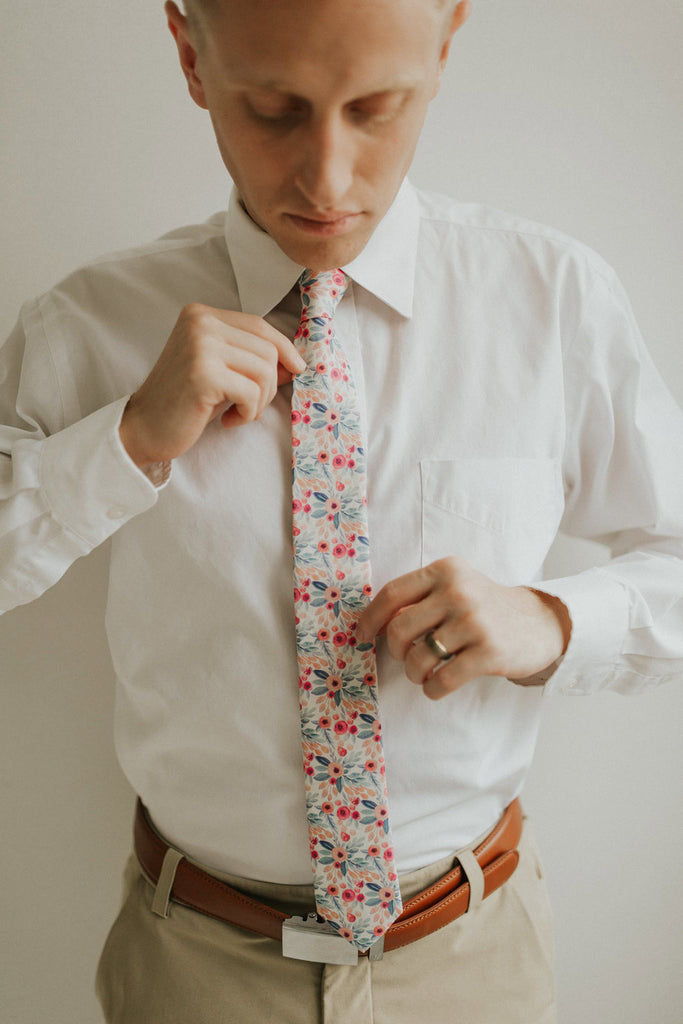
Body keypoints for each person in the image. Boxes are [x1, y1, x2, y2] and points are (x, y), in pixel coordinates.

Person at [1, 0, 682, 1021]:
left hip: (471, 960)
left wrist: (550, 620)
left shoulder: (550, 301)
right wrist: (128, 442)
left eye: (377, 107)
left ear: (445, 45)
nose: (325, 178)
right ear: (190, 54)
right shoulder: (89, 325)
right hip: (194, 970)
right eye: (272, 109)